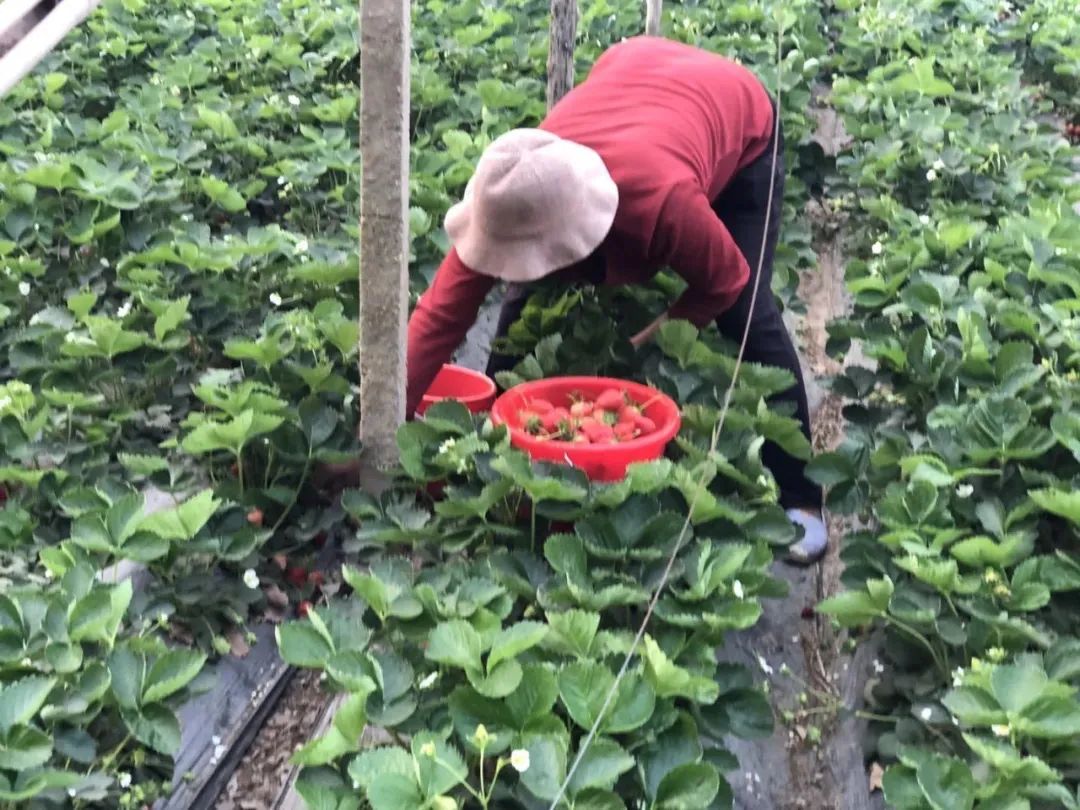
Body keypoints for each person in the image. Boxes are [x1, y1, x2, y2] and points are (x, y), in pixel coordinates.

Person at [405, 36, 826, 563]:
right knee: (521, 295)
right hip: (634, 74)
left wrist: (650, 340)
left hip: (737, 120)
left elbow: (723, 283)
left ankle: (802, 497)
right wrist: (377, 430)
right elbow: (438, 318)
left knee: (747, 316)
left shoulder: (662, 201)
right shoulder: (516, 190)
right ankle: (501, 441)